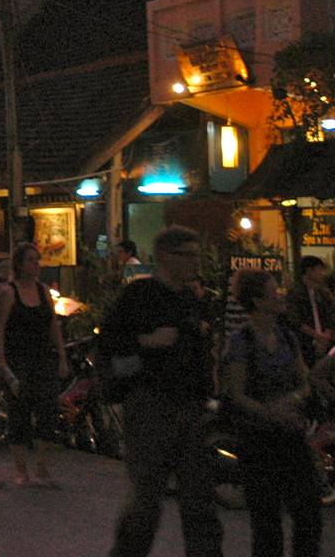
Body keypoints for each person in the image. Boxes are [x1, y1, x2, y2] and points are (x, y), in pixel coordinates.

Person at [99, 224, 220, 557]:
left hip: (190, 408)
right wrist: (146, 342)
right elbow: (108, 344)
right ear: (166, 256)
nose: (195, 263)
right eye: (188, 256)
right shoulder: (139, 296)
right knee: (146, 503)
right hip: (151, 407)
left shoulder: (190, 299)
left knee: (199, 502)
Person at [222, 270, 322, 557]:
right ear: (257, 300)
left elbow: (304, 382)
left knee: (308, 513)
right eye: (273, 290)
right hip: (257, 440)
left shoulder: (287, 337)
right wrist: (268, 412)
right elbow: (235, 393)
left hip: (291, 435)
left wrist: (293, 399)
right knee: (266, 522)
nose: (280, 295)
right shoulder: (241, 341)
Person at [0, 241, 70, 486]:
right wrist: (2, 363)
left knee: (48, 409)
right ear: (19, 264)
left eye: (38, 260)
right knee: (20, 413)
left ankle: (42, 467)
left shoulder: (43, 290)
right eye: (30, 260)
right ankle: (21, 470)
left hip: (42, 358)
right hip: (18, 360)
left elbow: (53, 325)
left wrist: (61, 356)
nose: (36, 265)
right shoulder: (9, 293)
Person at [285, 255, 334, 362]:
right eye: (319, 270)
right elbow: (295, 321)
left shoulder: (322, 294)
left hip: (325, 344)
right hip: (304, 345)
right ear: (309, 271)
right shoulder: (295, 294)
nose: (322, 274)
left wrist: (325, 337)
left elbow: (329, 317)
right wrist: (319, 337)